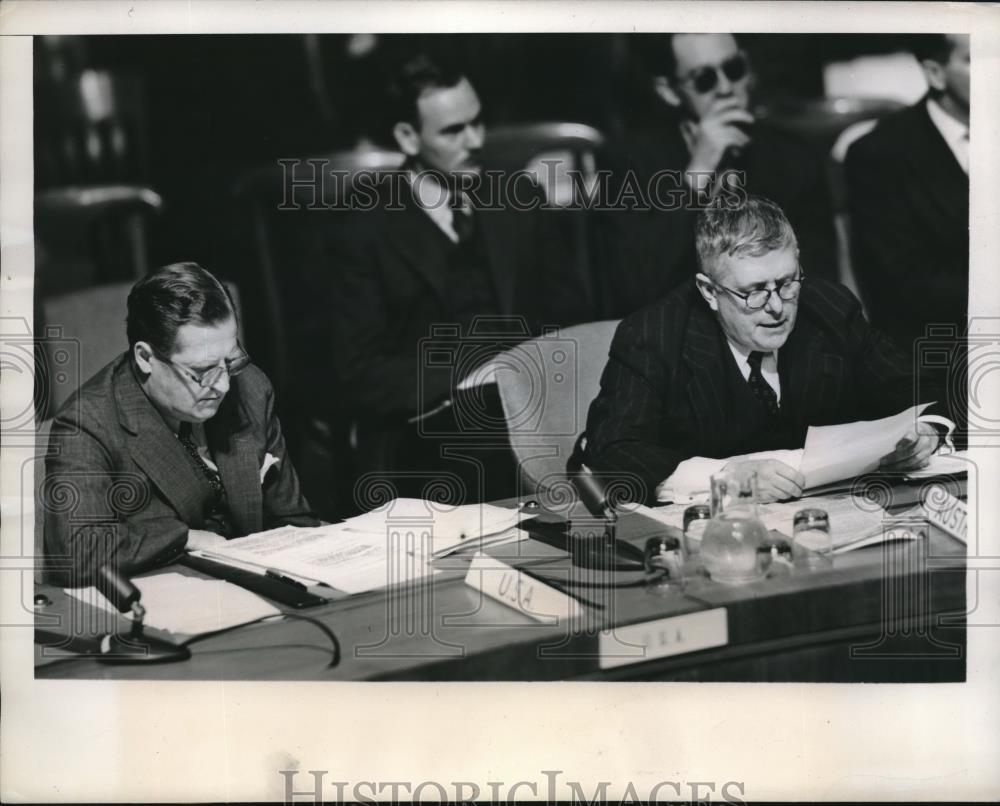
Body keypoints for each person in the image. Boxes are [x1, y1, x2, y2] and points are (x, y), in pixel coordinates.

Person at [313, 54, 587, 503]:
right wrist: (470, 375)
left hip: (534, 409)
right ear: (407, 136)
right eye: (453, 131)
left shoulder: (518, 195)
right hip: (426, 430)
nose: (476, 140)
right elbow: (359, 373)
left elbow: (572, 316)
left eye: (478, 122)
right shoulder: (361, 227)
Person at [581, 196, 942, 506]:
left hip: (826, 515)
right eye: (753, 291)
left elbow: (917, 390)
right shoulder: (654, 335)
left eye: (786, 282)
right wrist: (724, 475)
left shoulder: (829, 309)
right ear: (709, 291)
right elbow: (613, 450)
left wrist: (924, 432)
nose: (776, 307)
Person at [43, 262, 318, 586]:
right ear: (145, 358)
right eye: (202, 371)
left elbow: (294, 522)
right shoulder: (87, 422)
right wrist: (187, 538)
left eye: (229, 360)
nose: (224, 386)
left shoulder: (252, 390)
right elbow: (78, 552)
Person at [599, 33, 837, 317]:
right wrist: (697, 175)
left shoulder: (795, 157)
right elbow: (637, 292)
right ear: (669, 91)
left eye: (734, 70)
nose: (726, 88)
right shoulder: (630, 162)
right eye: (704, 79)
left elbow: (821, 286)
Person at [845, 35, 969, 356]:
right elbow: (904, 285)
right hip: (946, 351)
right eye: (975, 60)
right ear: (935, 73)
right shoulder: (879, 155)